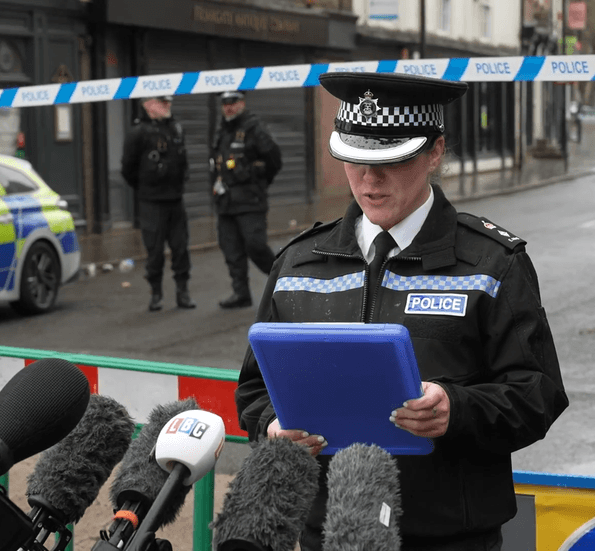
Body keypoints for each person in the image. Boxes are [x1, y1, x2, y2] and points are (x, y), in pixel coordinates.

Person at [235, 73, 569, 551]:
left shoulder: (493, 263)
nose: (370, 180)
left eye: (392, 161)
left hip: (451, 537)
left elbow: (538, 394)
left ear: (435, 152)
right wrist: (272, 425)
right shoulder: (297, 262)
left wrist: (456, 410)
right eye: (356, 160)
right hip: (329, 532)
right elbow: (253, 387)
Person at [121, 95, 196, 311]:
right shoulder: (138, 133)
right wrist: (146, 189)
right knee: (154, 250)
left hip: (175, 199)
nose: (168, 106)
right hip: (152, 202)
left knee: (180, 248)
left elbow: (184, 162)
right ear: (148, 105)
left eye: (169, 102)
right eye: (162, 103)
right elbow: (128, 168)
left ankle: (183, 293)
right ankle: (156, 294)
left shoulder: (176, 128)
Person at [209, 91, 282, 309]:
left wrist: (258, 182)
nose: (229, 107)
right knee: (231, 249)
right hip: (226, 201)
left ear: (242, 103)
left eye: (233, 103)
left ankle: (284, 284)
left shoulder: (254, 128)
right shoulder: (222, 130)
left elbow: (274, 160)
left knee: (255, 245)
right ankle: (241, 293)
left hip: (250, 200)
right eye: (225, 104)